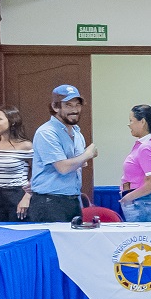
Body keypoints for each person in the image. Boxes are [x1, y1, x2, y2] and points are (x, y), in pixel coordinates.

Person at [29, 84, 97, 222]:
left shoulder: (77, 133)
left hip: (72, 200)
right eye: (68, 105)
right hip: (49, 203)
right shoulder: (47, 132)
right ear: (55, 107)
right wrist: (88, 153)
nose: (75, 110)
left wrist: (80, 159)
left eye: (77, 105)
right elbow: (63, 167)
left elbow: (79, 164)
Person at [120, 105, 151, 222]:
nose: (129, 125)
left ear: (142, 122)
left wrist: (128, 198)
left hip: (143, 204)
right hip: (142, 203)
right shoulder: (145, 145)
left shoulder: (146, 147)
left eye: (131, 120)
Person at [0, 106, 33, 222]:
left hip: (18, 192)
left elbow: (38, 171)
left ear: (12, 122)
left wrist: (28, 196)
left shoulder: (25, 146)